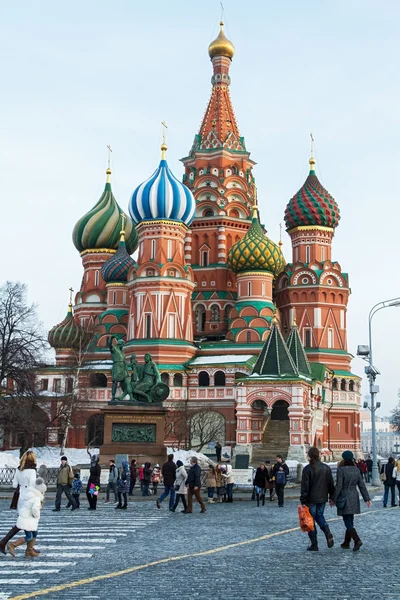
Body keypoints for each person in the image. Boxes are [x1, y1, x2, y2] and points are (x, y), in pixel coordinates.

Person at [0, 451, 38, 554]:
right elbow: (32, 485)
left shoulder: (19, 469)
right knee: (28, 523)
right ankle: (11, 544)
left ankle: (29, 548)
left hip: (21, 497)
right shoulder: (32, 471)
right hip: (29, 497)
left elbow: (14, 484)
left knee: (25, 522)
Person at [300, 447, 335, 551]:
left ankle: (314, 544)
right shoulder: (326, 468)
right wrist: (332, 497)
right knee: (320, 515)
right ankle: (327, 531)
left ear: (309, 455)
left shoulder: (307, 469)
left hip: (311, 499)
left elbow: (305, 486)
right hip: (322, 498)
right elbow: (331, 484)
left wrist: (303, 500)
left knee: (310, 521)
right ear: (319, 455)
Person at [334, 450, 371, 551]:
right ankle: (346, 542)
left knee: (347, 520)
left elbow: (339, 486)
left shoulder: (341, 470)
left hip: (344, 496)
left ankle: (356, 540)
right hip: (354, 496)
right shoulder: (356, 469)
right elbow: (361, 485)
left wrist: (333, 498)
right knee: (350, 519)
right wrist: (366, 498)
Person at [7, 477, 47, 558]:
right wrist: (37, 515)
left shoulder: (30, 495)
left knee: (34, 533)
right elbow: (35, 509)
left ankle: (29, 550)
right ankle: (12, 545)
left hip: (26, 518)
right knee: (29, 536)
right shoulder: (36, 498)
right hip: (28, 519)